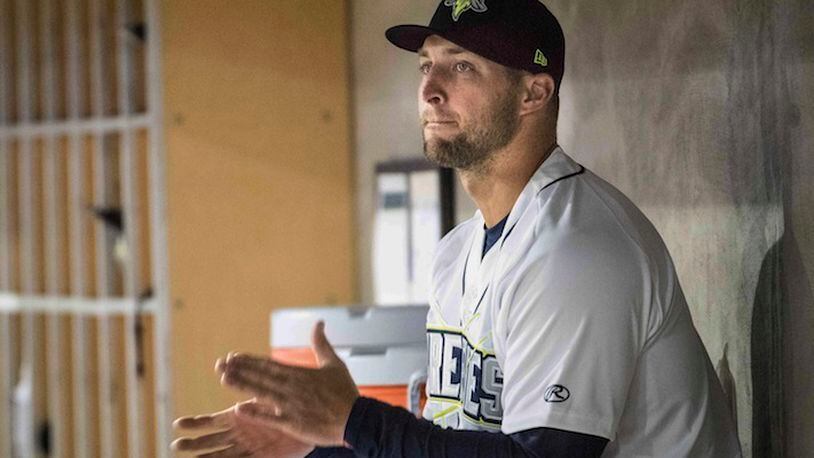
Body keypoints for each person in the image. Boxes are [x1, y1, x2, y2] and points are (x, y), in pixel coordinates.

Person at [172, 0, 743, 456]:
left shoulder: (574, 249)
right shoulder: (459, 252)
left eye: (462, 65)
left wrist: (354, 420)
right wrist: (322, 442)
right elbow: (450, 443)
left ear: (533, 92)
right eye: (427, 64)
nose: (429, 89)